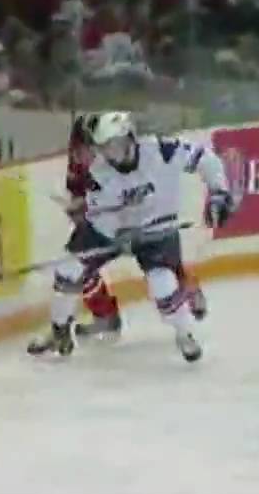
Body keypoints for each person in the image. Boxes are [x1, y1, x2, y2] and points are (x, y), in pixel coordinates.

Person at [28, 112, 235, 362]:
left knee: (162, 284)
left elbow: (207, 160)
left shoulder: (161, 151)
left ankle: (185, 333)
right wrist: (118, 233)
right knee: (68, 271)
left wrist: (218, 193)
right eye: (104, 148)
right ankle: (59, 330)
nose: (110, 154)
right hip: (111, 230)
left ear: (130, 139)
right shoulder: (99, 173)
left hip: (156, 229)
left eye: (114, 145)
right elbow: (101, 217)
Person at [59, 115, 208, 341]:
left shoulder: (139, 152)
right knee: (81, 263)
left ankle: (186, 287)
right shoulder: (85, 164)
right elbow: (84, 199)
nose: (97, 153)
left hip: (145, 218)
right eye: (93, 148)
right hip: (111, 222)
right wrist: (83, 210)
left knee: (162, 259)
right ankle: (104, 317)